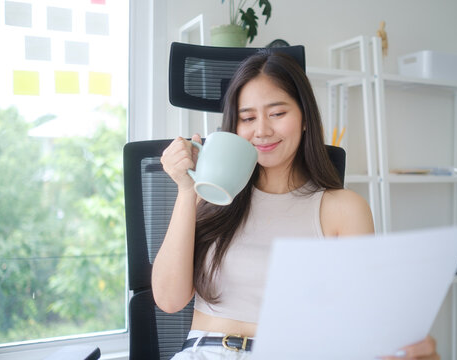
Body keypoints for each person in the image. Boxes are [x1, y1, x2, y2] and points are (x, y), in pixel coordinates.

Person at [154, 50, 439, 360]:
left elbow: (362, 321)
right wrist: (186, 190)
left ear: (304, 117)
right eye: (247, 118)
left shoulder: (342, 208)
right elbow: (169, 300)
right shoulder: (210, 196)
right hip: (205, 352)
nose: (261, 130)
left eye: (277, 114)